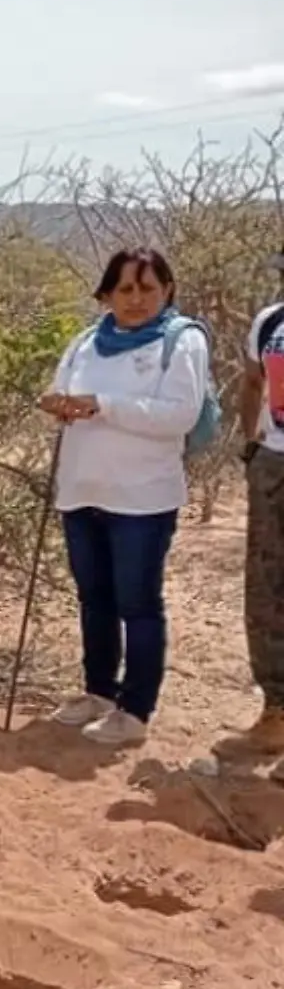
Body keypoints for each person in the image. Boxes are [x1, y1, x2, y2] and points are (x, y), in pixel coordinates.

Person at [38, 248, 209, 747]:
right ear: (107, 294)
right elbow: (61, 389)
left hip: (142, 498)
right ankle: (99, 693)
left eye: (147, 288)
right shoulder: (86, 341)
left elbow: (178, 414)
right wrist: (58, 403)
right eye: (125, 289)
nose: (136, 300)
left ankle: (135, 710)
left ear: (167, 290)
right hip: (81, 489)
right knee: (94, 600)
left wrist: (104, 405)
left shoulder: (183, 341)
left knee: (138, 603)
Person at [210, 248, 284, 774]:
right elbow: (253, 381)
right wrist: (251, 444)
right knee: (266, 591)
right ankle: (277, 712)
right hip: (274, 466)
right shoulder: (271, 321)